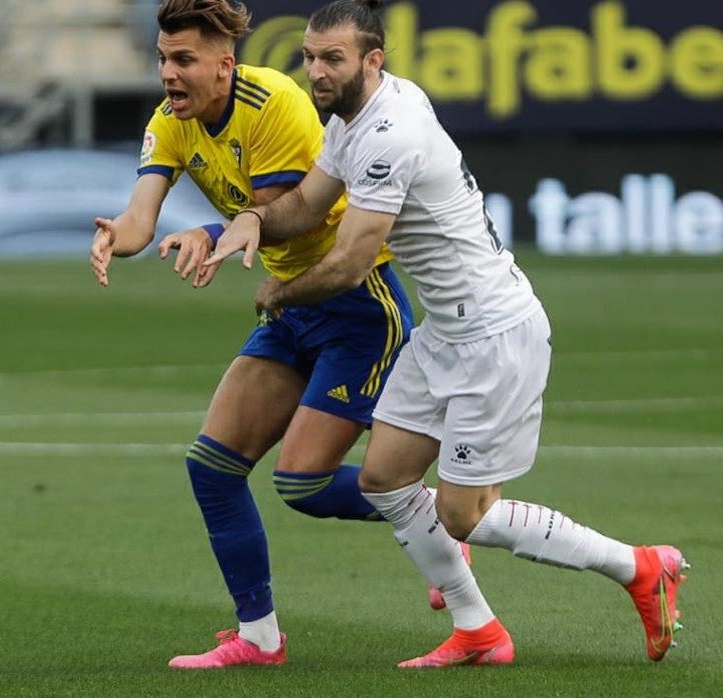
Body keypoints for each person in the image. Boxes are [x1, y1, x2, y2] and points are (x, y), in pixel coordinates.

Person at [206, 0, 688, 668]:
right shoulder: (354, 118)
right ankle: (479, 631)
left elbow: (349, 264)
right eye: (311, 57)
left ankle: (639, 567)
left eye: (332, 59)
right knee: (384, 481)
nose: (316, 71)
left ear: (372, 60)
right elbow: (308, 203)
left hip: (496, 335)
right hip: (444, 334)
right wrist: (251, 222)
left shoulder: (390, 133)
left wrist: (277, 293)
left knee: (465, 515)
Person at [91, 0, 429, 670]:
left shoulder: (272, 101)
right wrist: (118, 240)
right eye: (162, 59)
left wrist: (210, 233)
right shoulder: (171, 122)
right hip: (290, 308)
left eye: (183, 60)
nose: (168, 74)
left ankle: (438, 519)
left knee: (302, 484)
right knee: (212, 468)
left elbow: (289, 216)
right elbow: (140, 216)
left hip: (357, 303)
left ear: (225, 63)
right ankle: (260, 638)